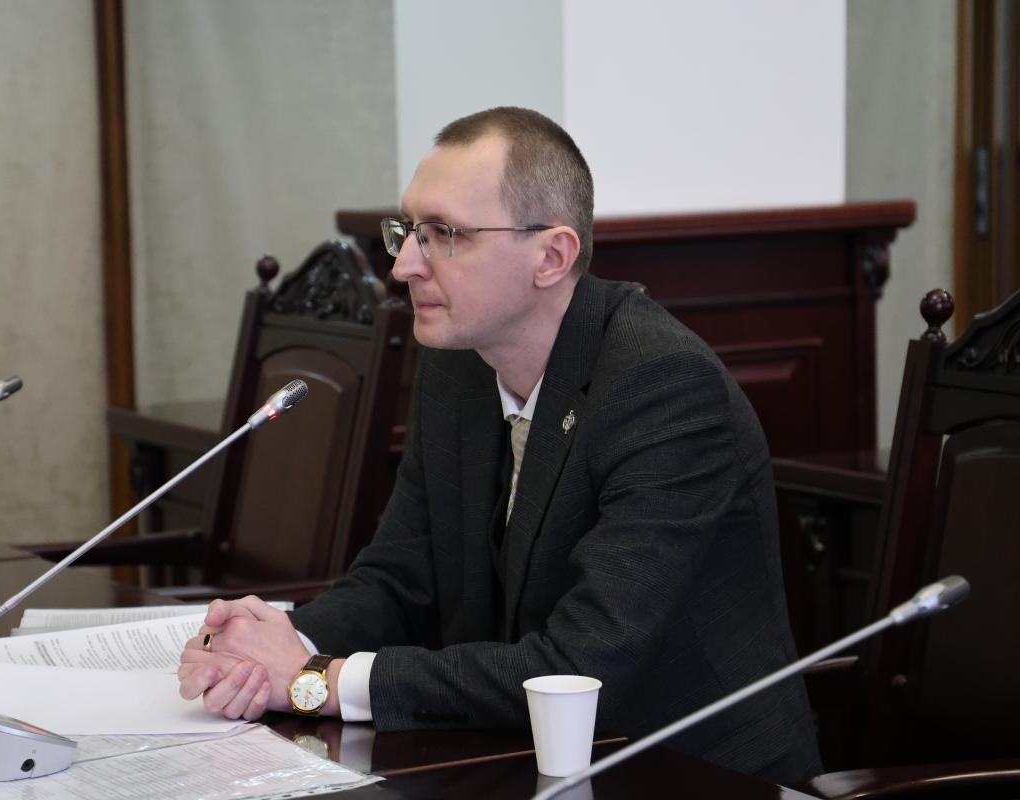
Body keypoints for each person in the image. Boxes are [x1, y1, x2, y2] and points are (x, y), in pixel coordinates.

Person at [178, 106, 821, 785]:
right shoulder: (458, 364)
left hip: (687, 775)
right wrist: (278, 644)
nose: (404, 266)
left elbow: (582, 667)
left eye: (444, 235)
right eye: (408, 231)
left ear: (552, 256)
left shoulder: (664, 389)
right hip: (524, 760)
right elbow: (399, 577)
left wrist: (319, 680)